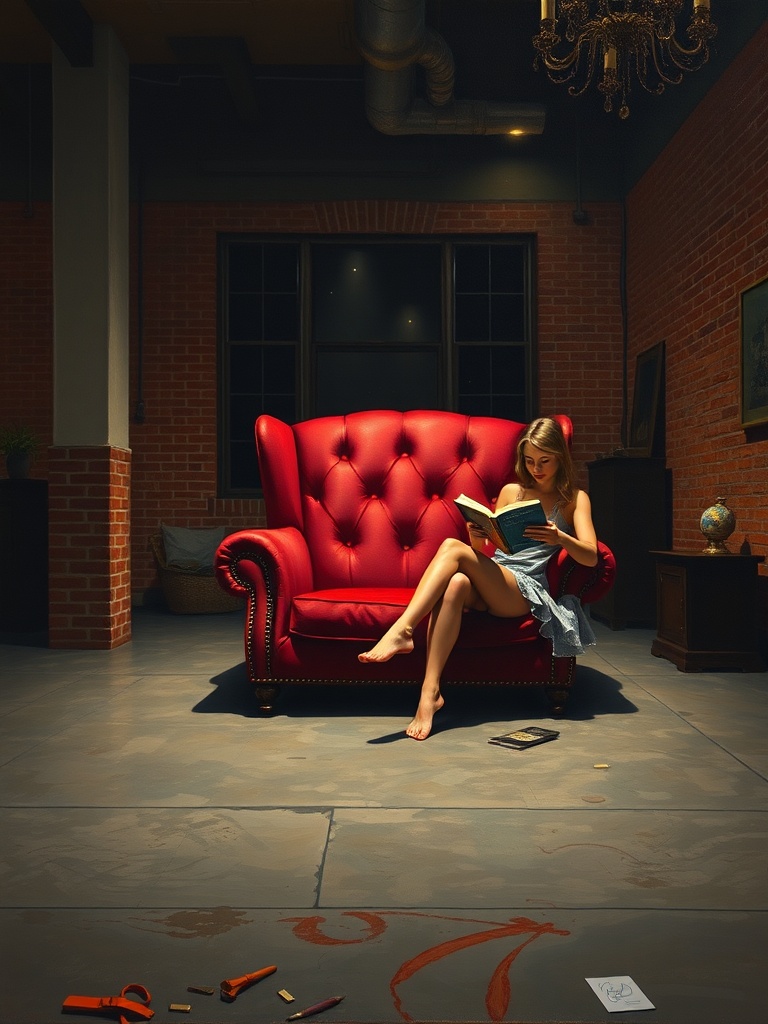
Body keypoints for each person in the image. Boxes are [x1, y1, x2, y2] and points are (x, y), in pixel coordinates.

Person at [358, 417, 599, 740]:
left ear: (560, 459)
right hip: (497, 576)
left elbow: (591, 556)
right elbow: (488, 548)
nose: (536, 469)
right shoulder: (512, 490)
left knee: (450, 548)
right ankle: (429, 694)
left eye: (545, 461)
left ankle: (403, 629)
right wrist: (477, 535)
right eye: (529, 461)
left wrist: (560, 539)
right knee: (456, 583)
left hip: (523, 590)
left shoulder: (574, 499)